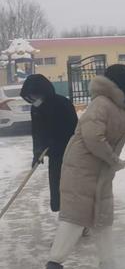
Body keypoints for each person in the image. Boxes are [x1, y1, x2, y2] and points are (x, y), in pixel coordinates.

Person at [40, 64, 125, 269]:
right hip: (81, 171)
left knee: (103, 221)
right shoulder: (100, 105)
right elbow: (93, 137)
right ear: (121, 84)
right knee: (75, 219)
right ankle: (52, 268)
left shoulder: (122, 110)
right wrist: (113, 159)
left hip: (100, 174)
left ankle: (108, 268)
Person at [20, 74, 78, 212]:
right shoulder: (36, 108)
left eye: (33, 96)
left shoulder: (62, 103)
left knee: (71, 189)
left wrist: (57, 141)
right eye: (30, 98)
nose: (33, 101)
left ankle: (76, 218)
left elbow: (75, 130)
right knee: (57, 188)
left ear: (42, 91)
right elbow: (37, 132)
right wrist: (37, 152)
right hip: (54, 156)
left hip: (70, 153)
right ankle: (64, 216)